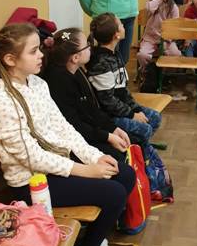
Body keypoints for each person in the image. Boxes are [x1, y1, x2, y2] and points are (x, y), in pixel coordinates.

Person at [0, 23, 135, 246]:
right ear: (11, 59)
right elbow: (32, 157)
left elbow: (64, 128)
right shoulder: (1, 98)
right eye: (33, 51)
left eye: (39, 49)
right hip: (30, 183)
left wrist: (94, 158)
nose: (41, 55)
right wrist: (85, 171)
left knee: (124, 173)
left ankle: (94, 241)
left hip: (53, 168)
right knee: (113, 193)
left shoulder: (37, 83)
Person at [41, 28, 131, 160]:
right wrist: (108, 137)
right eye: (87, 46)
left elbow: (91, 109)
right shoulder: (58, 82)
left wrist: (112, 129)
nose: (90, 48)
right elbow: (75, 126)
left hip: (88, 131)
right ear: (75, 58)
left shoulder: (76, 71)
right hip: (75, 141)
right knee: (121, 157)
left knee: (130, 142)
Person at [86, 13, 162, 144]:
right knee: (145, 129)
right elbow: (108, 101)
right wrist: (132, 115)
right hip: (109, 115)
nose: (124, 26)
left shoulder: (114, 54)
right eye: (121, 24)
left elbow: (122, 91)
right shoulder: (101, 63)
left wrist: (136, 109)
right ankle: (135, 148)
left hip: (120, 108)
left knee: (155, 117)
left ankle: (138, 145)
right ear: (116, 35)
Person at [136, 0, 180, 72]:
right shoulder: (151, 2)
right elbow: (149, 9)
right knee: (142, 55)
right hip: (150, 38)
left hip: (166, 39)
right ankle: (148, 70)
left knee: (175, 54)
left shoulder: (173, 7)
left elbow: (175, 25)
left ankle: (165, 73)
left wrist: (169, 39)